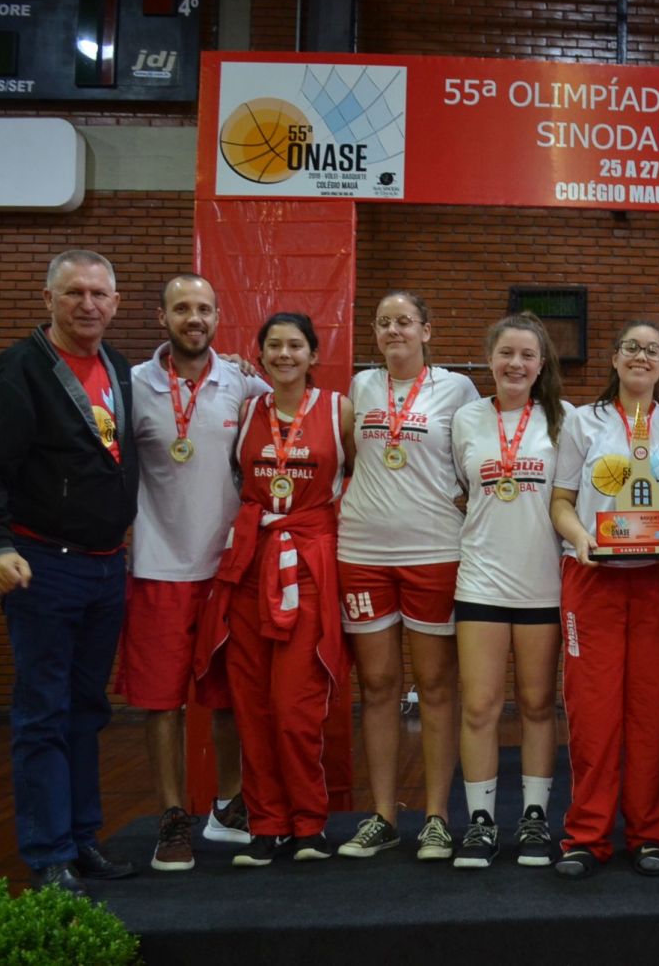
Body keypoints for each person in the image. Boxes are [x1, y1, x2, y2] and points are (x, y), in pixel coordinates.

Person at [0, 249, 139, 896]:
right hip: (42, 568)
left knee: (88, 709)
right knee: (43, 711)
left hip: (103, 567)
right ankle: (48, 853)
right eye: (74, 293)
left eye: (99, 293)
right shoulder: (19, 370)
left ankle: (84, 837)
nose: (88, 304)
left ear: (115, 303)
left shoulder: (116, 365)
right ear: (47, 299)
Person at [195, 312, 353, 865]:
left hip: (309, 567)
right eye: (274, 346)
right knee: (252, 706)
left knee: (296, 706)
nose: (285, 354)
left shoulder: (340, 411)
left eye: (296, 345)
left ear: (313, 355)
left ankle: (309, 822)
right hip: (249, 567)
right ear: (259, 356)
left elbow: (360, 479)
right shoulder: (244, 410)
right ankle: (267, 824)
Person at [124, 274, 269, 870]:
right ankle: (171, 817)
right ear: (162, 317)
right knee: (164, 702)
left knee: (229, 694)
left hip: (227, 571)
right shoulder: (131, 385)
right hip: (158, 567)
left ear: (216, 317)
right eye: (182, 308)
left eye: (204, 308)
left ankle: (228, 805)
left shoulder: (243, 382)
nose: (194, 318)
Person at [549, 320, 659, 879]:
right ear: (613, 360)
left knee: (651, 712)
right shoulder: (581, 422)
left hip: (658, 581)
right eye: (631, 348)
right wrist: (579, 536)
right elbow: (561, 500)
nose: (641, 357)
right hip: (593, 578)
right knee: (593, 713)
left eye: (652, 351)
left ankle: (649, 834)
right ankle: (587, 835)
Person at [336, 291, 478, 861]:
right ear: (375, 333)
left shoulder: (456, 389)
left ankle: (438, 817)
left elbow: (473, 460)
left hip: (435, 550)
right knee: (376, 688)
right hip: (363, 550)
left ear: (426, 329)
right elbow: (347, 456)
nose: (394, 330)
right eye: (384, 322)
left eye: (405, 321)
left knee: (438, 686)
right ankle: (382, 815)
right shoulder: (359, 388)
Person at [450, 313, 570, 868]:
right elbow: (461, 492)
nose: (515, 364)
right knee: (479, 706)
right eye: (506, 354)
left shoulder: (563, 420)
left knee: (539, 705)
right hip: (480, 579)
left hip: (542, 583)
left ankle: (535, 816)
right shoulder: (467, 419)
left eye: (527, 355)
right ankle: (479, 821)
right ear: (490, 359)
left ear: (541, 364)